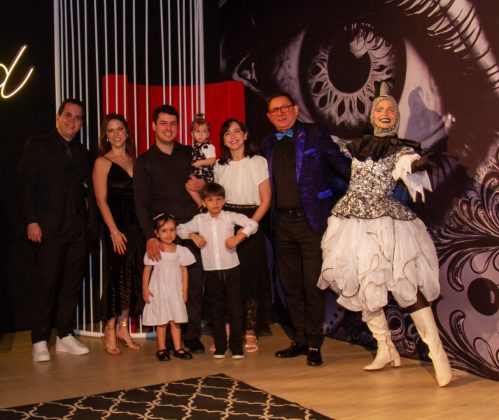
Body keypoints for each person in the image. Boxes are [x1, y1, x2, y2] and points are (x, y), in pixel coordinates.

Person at [318, 81, 453, 387]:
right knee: (363, 284)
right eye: (379, 109)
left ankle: (438, 355)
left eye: (391, 110)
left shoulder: (400, 150)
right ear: (372, 115)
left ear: (396, 118)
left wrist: (418, 163)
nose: (385, 113)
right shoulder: (355, 147)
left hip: (387, 223)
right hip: (352, 223)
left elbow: (410, 166)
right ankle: (385, 347)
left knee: (407, 286)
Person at [260, 92, 351, 367]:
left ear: (296, 109)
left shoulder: (315, 134)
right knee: (289, 285)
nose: (280, 113)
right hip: (281, 224)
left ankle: (313, 342)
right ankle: (298, 339)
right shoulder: (266, 144)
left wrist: (369, 181)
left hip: (312, 221)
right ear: (268, 117)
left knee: (312, 284)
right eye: (274, 110)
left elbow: (343, 168)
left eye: (284, 108)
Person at [19, 98, 97, 362]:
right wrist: (31, 221)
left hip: (78, 228)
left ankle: (64, 335)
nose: (72, 121)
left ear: (82, 124)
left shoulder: (82, 151)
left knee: (72, 283)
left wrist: (89, 224)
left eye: (78, 118)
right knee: (47, 282)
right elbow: (26, 185)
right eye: (68, 115)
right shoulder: (37, 145)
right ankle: (40, 340)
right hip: (48, 228)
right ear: (58, 116)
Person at [133, 104, 206, 353]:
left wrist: (202, 186)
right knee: (165, 289)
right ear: (153, 126)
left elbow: (207, 184)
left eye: (173, 123)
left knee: (193, 285)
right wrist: (149, 236)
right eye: (163, 123)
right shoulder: (144, 161)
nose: (168, 128)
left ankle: (191, 335)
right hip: (163, 237)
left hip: (192, 230)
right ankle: (167, 341)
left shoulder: (190, 154)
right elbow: (140, 203)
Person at [177, 182, 258, 359]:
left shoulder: (229, 216)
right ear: (203, 202)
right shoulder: (199, 220)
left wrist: (238, 237)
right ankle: (221, 345)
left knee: (235, 309)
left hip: (232, 270)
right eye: (210, 200)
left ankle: (236, 346)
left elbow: (252, 223)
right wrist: (192, 235)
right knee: (216, 310)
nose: (215, 203)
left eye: (219, 199)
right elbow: (179, 229)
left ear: (224, 200)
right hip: (211, 272)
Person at [214, 118, 272, 352]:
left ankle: (249, 331)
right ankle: (229, 329)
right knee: (227, 280)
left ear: (246, 135)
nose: (233, 136)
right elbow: (215, 199)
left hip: (251, 221)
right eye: (228, 133)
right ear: (223, 139)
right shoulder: (219, 166)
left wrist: (246, 230)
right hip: (226, 221)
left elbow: (265, 201)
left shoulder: (258, 161)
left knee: (250, 279)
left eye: (237, 131)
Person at [92, 113, 144, 355]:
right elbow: (100, 201)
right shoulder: (102, 162)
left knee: (131, 274)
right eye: (111, 130)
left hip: (135, 227)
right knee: (116, 276)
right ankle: (110, 328)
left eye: (120, 129)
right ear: (106, 135)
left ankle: (124, 327)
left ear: (127, 132)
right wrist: (113, 231)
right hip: (116, 227)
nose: (116, 134)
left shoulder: (136, 161)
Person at [142, 214, 196, 361]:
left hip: (175, 290)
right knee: (162, 321)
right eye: (164, 231)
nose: (169, 234)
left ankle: (178, 348)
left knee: (175, 320)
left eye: (172, 230)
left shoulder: (180, 250)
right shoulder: (155, 250)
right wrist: (145, 289)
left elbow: (184, 270)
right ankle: (161, 349)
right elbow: (147, 269)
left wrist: (184, 290)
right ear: (156, 233)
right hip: (159, 290)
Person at [187, 113, 217, 207]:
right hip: (198, 173)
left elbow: (212, 160)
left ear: (208, 134)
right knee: (188, 186)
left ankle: (203, 206)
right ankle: (202, 205)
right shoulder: (195, 146)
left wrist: (200, 163)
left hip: (205, 175)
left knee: (194, 188)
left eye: (204, 131)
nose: (200, 134)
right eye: (197, 131)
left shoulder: (206, 146)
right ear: (192, 134)